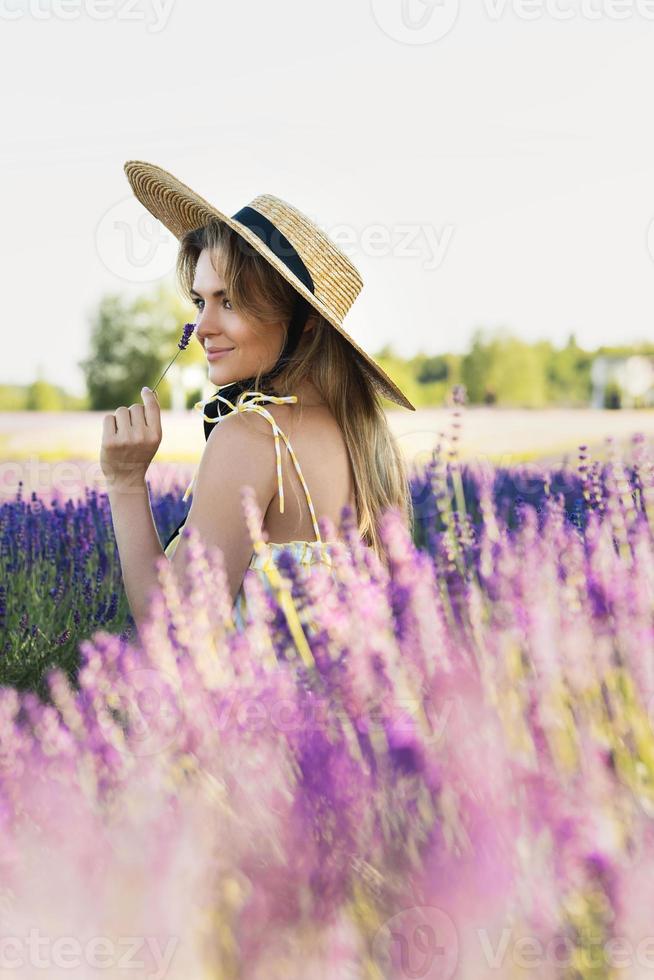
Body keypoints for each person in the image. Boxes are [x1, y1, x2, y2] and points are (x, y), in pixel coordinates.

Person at [101, 160, 416, 642]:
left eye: (230, 302)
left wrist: (124, 484)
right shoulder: (365, 437)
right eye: (200, 301)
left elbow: (175, 634)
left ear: (304, 321)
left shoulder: (251, 437)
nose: (204, 326)